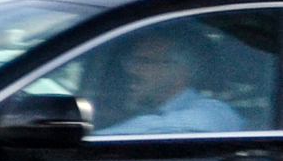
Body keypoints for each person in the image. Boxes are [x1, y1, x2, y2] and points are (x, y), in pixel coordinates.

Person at [94, 26, 246, 136]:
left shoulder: (213, 113)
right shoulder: (137, 111)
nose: (130, 70)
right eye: (130, 61)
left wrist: (88, 138)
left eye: (143, 61)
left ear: (181, 70)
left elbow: (156, 128)